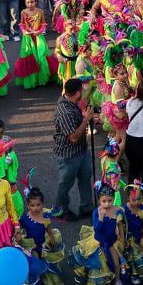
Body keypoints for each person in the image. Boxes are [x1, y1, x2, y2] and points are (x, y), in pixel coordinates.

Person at [53, 78, 95, 222]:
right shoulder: (65, 111)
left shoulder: (71, 102)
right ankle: (61, 210)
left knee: (85, 176)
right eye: (82, 90)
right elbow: (74, 137)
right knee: (65, 183)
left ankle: (86, 207)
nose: (83, 92)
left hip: (81, 150)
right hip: (69, 155)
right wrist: (86, 119)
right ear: (77, 93)